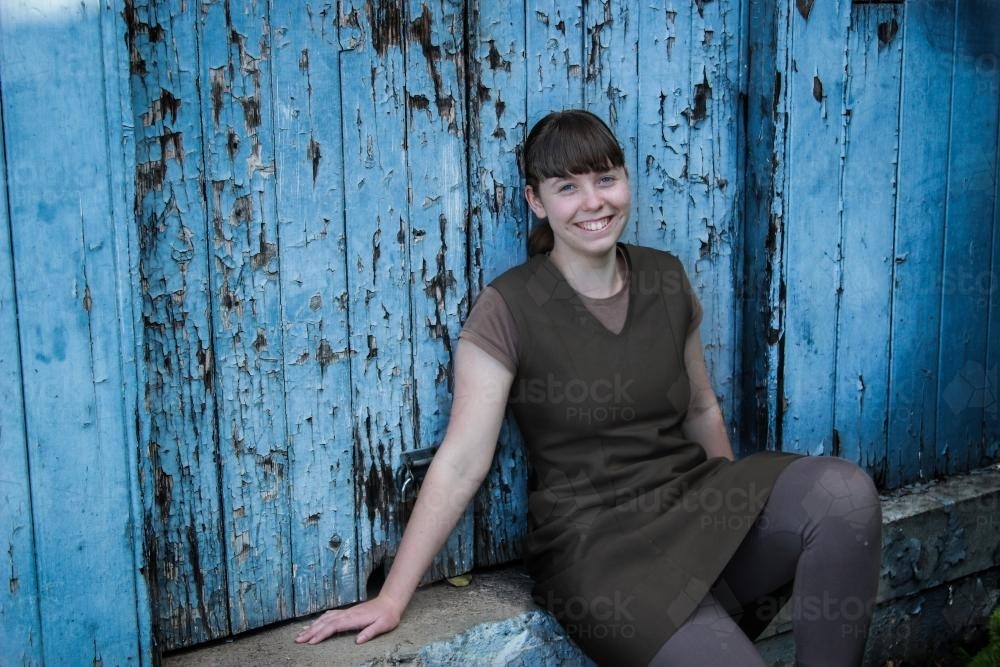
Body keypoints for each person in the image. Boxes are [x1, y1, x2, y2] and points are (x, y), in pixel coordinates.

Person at [295, 109, 883, 666]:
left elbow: (701, 405)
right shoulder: (509, 307)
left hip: (691, 503)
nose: (594, 202)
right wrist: (392, 596)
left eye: (606, 179)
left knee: (842, 495)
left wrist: (728, 524)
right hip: (599, 552)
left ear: (626, 180)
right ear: (536, 201)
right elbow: (462, 462)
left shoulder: (665, 277)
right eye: (567, 187)